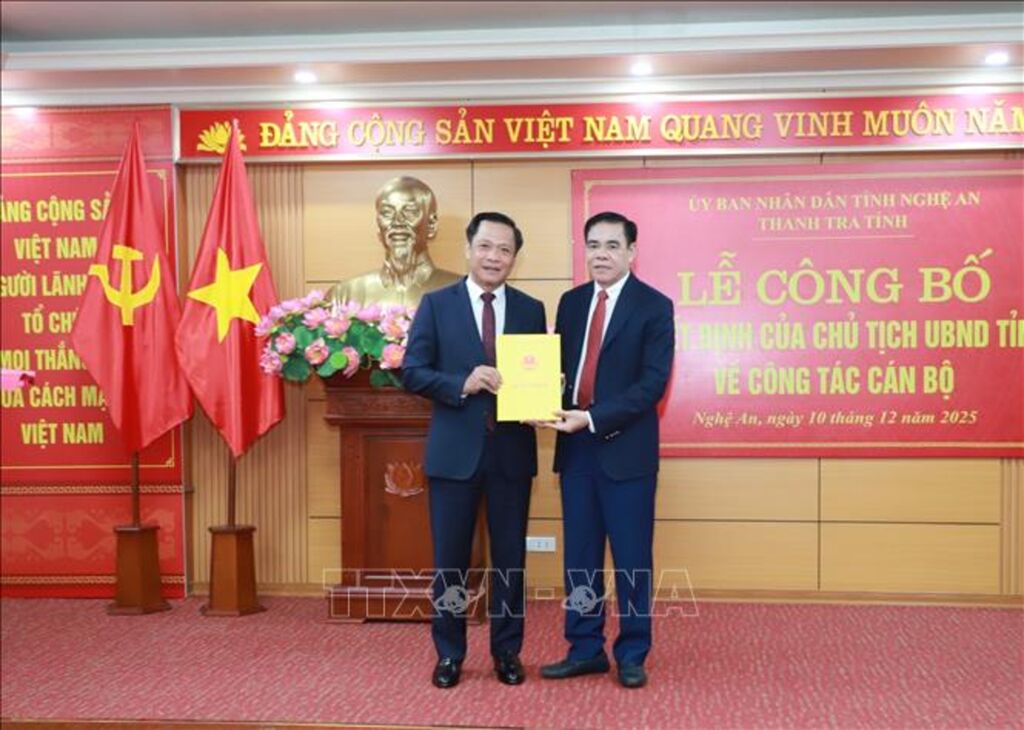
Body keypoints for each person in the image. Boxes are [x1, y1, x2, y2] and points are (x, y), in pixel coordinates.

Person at [402, 211, 547, 689]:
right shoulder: (436, 305)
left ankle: (507, 651)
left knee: (510, 562)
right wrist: (460, 383)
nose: (494, 257)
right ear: (468, 249)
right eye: (486, 246)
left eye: (505, 250)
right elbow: (412, 371)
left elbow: (537, 374)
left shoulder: (530, 309)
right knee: (450, 563)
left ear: (515, 258)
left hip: (511, 453)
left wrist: (545, 396)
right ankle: (449, 653)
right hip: (453, 456)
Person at [538, 211, 674, 689]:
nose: (601, 254)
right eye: (593, 245)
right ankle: (585, 649)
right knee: (580, 558)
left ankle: (632, 652)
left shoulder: (654, 306)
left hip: (626, 452)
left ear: (631, 252)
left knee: (632, 560)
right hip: (575, 450)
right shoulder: (571, 303)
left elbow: (651, 385)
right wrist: (540, 402)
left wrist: (593, 418)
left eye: (612, 245)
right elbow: (561, 371)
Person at [329, 176, 460, 308]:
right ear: (378, 225)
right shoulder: (345, 295)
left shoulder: (462, 292)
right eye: (387, 213)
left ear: (431, 225)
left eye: (410, 212)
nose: (398, 222)